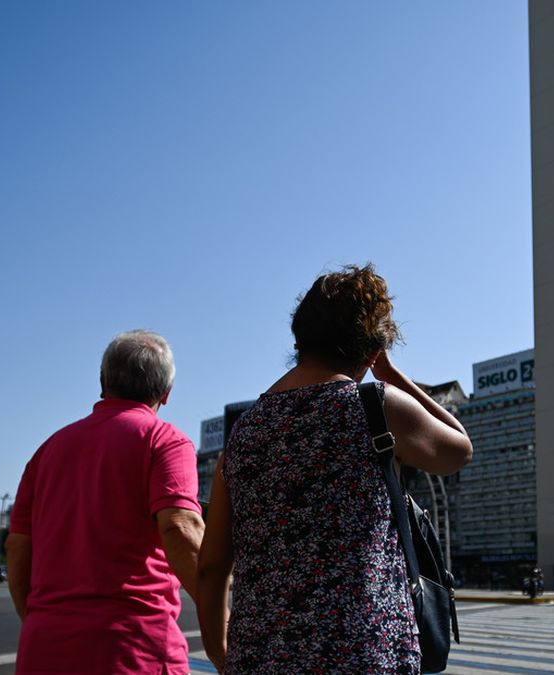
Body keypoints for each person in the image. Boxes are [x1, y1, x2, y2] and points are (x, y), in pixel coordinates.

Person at [196, 264, 473, 673]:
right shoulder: (375, 405)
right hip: (363, 653)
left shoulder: (244, 433)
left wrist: (222, 652)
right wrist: (392, 376)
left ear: (300, 336)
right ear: (371, 349)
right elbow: (458, 450)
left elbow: (212, 566)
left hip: (260, 658)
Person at [6, 330, 204, 674]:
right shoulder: (166, 442)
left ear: (102, 381)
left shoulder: (48, 449)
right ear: (167, 393)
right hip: (131, 647)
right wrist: (223, 615)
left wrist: (42, 619)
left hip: (44, 646)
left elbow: (17, 548)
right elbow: (179, 527)